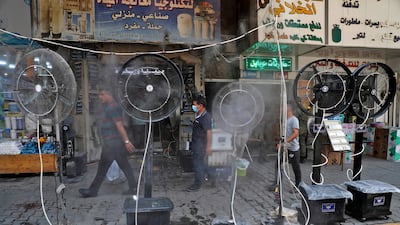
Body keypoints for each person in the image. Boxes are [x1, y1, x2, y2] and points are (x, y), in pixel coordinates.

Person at [79, 88, 137, 197]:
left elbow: (119, 125)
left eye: (102, 94)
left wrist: (126, 141)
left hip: (113, 144)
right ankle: (133, 188)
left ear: (109, 95)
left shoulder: (113, 108)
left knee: (106, 168)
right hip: (111, 144)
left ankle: (93, 190)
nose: (100, 97)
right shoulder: (108, 107)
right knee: (121, 166)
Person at [187, 95, 212, 191]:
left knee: (198, 164)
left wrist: (208, 147)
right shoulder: (199, 115)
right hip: (197, 144)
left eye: (195, 105)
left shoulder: (205, 117)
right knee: (202, 163)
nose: (193, 107)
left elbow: (209, 132)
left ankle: (197, 185)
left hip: (201, 146)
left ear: (201, 105)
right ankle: (212, 178)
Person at [285, 103, 302, 187]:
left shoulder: (294, 119)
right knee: (277, 164)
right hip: (286, 148)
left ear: (289, 109)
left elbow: (296, 133)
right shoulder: (285, 119)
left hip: (293, 148)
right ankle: (276, 183)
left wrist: (285, 142)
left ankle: (298, 185)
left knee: (296, 168)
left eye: (285, 106)